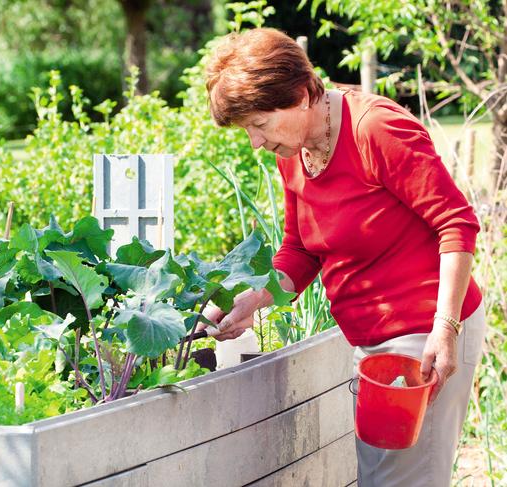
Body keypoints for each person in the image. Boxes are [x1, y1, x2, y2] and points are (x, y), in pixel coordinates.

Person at [200, 27, 486, 486]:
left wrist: (445, 329)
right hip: (372, 340)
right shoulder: (294, 152)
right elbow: (300, 251)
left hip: (426, 331)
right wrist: (250, 301)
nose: (255, 141)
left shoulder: (374, 128)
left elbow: (456, 223)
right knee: (378, 477)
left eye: (259, 124)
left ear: (297, 95)